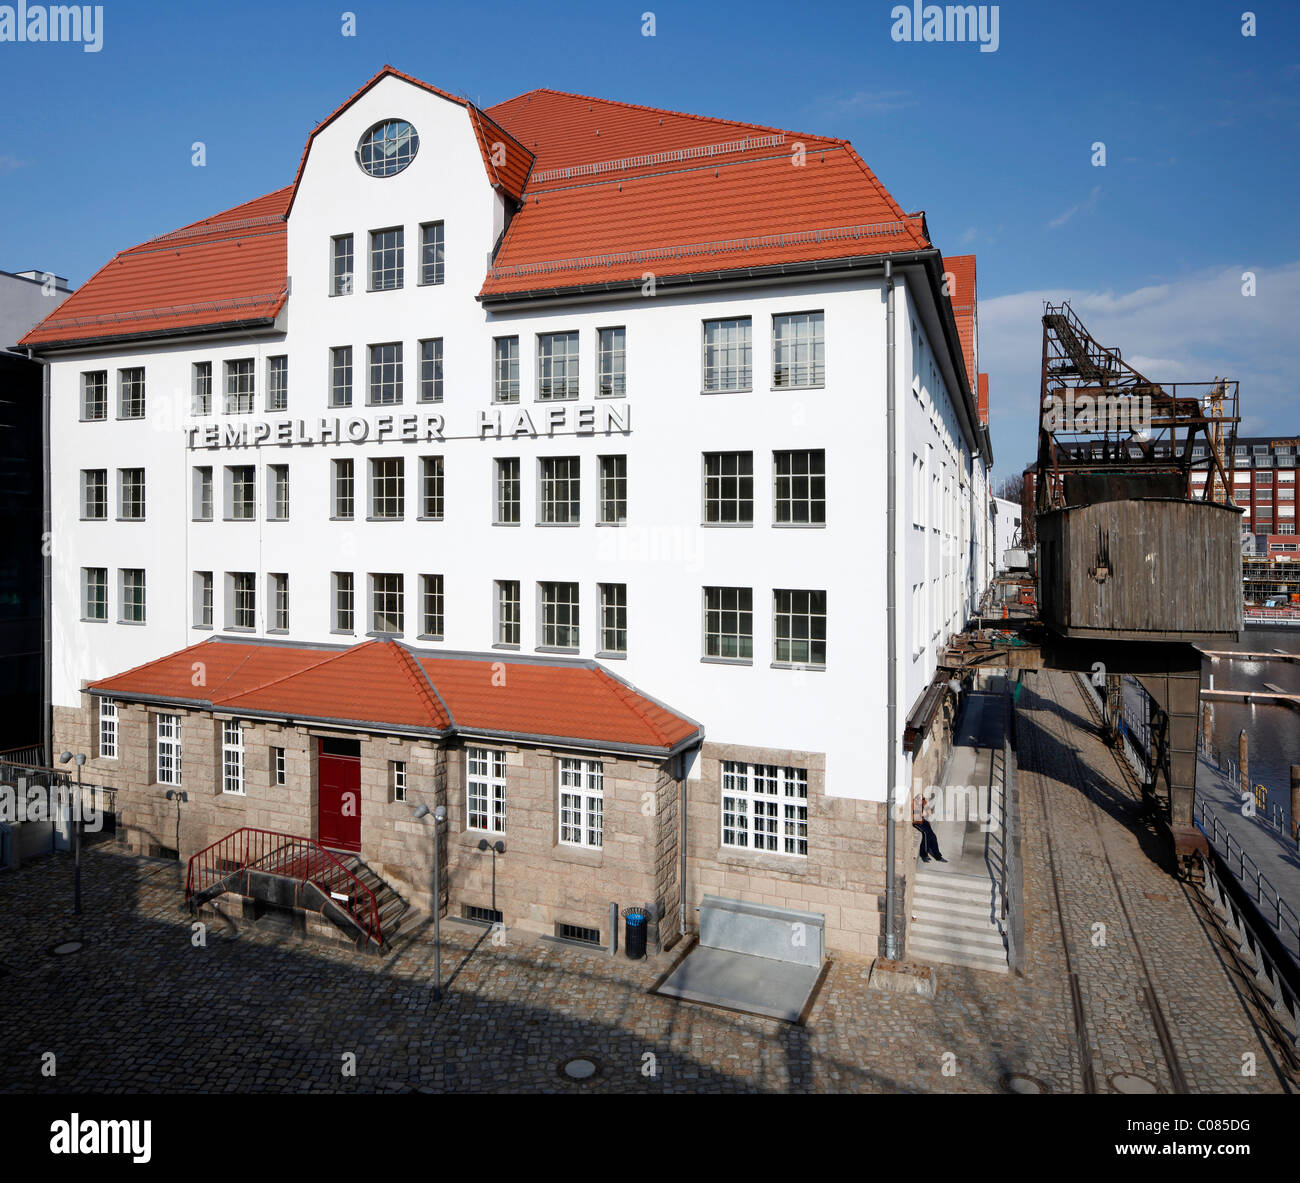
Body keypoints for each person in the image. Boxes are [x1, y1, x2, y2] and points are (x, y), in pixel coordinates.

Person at [912, 787, 947, 863]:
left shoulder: (923, 800)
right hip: (917, 822)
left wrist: (927, 809)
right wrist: (925, 811)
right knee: (926, 834)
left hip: (924, 821)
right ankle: (924, 855)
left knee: (933, 836)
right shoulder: (915, 803)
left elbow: (929, 811)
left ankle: (938, 856)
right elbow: (922, 814)